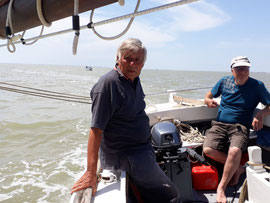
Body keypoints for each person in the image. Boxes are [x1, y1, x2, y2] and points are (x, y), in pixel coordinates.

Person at [71, 38, 181, 203]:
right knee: (171, 196)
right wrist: (90, 172)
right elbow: (96, 130)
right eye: (127, 58)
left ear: (142, 64)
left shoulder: (134, 79)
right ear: (117, 58)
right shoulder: (108, 85)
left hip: (142, 149)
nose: (132, 64)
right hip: (127, 155)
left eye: (137, 60)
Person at [203, 56, 270, 203]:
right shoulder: (224, 81)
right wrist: (208, 101)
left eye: (246, 68)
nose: (243, 71)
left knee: (235, 151)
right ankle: (239, 166)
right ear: (232, 70)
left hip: (240, 126)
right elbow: (208, 95)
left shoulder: (257, 85)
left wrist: (260, 113)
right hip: (219, 124)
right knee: (207, 150)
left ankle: (221, 187)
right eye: (239, 68)